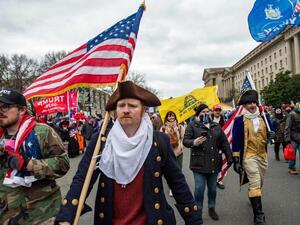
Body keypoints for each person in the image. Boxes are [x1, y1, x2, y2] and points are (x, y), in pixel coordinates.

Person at [55, 81, 202, 225]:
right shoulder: (101, 141)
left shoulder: (159, 141)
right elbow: (82, 179)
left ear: (143, 110)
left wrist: (194, 219)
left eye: (132, 105)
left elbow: (178, 183)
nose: (126, 110)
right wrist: (66, 216)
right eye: (121, 105)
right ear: (115, 111)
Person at [0, 88, 70, 225]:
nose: (1, 110)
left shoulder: (41, 132)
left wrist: (30, 165)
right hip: (6, 215)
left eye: (6, 106)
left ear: (22, 110)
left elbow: (63, 163)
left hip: (39, 214)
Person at [183, 103, 232, 222]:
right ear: (198, 114)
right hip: (198, 163)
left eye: (207, 111)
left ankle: (211, 208)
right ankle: (198, 210)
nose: (205, 114)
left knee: (212, 189)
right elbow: (185, 141)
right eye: (202, 112)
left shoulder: (215, 126)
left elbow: (224, 143)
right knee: (199, 188)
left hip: (214, 162)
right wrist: (194, 142)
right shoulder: (192, 125)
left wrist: (230, 157)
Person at [232, 90, 274, 225]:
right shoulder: (239, 121)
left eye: (253, 102)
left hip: (262, 155)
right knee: (255, 182)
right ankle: (259, 216)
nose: (252, 105)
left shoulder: (265, 117)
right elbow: (237, 141)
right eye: (249, 103)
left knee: (259, 183)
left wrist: (273, 135)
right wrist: (236, 160)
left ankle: (253, 194)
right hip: (249, 156)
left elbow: (271, 133)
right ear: (244, 105)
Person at [160, 111, 185, 197]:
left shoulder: (180, 127)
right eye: (169, 116)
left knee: (178, 170)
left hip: (179, 152)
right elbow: (161, 140)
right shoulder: (163, 128)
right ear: (166, 117)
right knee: (170, 172)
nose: (171, 118)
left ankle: (177, 187)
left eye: (173, 116)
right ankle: (171, 188)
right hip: (168, 153)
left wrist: (181, 145)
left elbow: (182, 138)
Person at [211, 104, 226, 190]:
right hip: (211, 143)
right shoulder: (208, 120)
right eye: (216, 110)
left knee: (220, 162)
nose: (217, 112)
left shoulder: (223, 120)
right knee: (211, 161)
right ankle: (212, 179)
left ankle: (219, 180)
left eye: (219, 110)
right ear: (213, 111)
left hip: (220, 144)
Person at [285, 102, 300, 175]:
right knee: (292, 153)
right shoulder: (292, 114)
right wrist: (287, 139)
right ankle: (291, 167)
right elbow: (287, 127)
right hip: (293, 137)